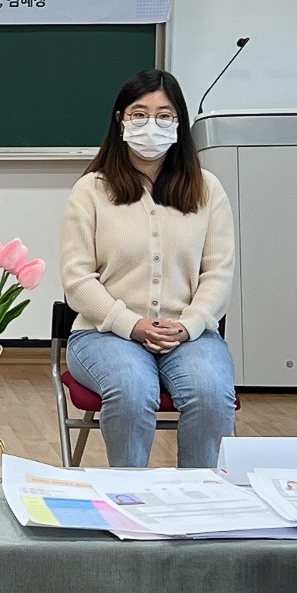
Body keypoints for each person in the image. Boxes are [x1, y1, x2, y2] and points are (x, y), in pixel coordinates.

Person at [57, 69, 237, 467]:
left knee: (211, 395)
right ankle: (129, 494)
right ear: (120, 120)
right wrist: (131, 324)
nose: (150, 125)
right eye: (139, 114)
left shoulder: (207, 189)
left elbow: (218, 273)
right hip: (104, 334)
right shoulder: (91, 190)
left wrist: (189, 325)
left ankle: (198, 494)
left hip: (188, 334)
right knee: (132, 390)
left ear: (179, 123)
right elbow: (77, 278)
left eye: (164, 115)